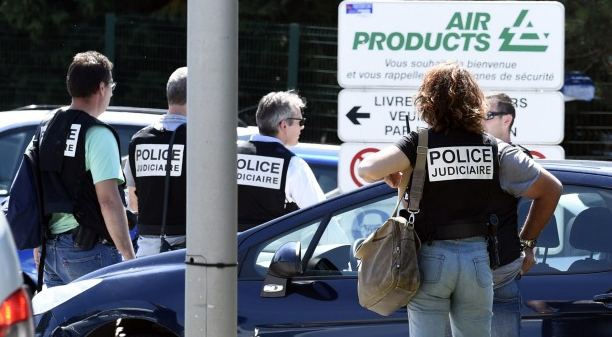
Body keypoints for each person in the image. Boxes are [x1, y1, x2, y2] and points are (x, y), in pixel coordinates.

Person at [358, 61, 561, 336]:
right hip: (479, 260)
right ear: (475, 101)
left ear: (428, 102)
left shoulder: (419, 143)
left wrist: (389, 172)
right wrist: (527, 243)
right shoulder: (492, 147)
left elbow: (366, 169)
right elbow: (552, 188)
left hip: (430, 257)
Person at [36, 51, 136, 288]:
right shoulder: (98, 134)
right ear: (102, 87)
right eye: (112, 86)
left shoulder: (47, 128)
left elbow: (36, 188)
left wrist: (37, 242)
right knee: (101, 324)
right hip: (87, 251)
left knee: (60, 325)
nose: (112, 91)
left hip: (48, 250)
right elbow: (109, 201)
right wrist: (130, 260)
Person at [237, 90, 325, 231]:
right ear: (284, 125)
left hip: (221, 247)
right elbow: (321, 214)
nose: (302, 127)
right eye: (300, 121)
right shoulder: (292, 165)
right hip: (266, 250)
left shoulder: (229, 156)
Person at [124, 67, 188, 257]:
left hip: (146, 250)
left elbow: (133, 204)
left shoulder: (139, 139)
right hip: (185, 250)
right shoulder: (199, 141)